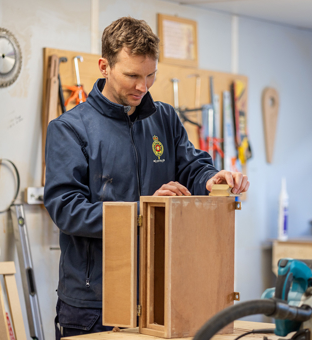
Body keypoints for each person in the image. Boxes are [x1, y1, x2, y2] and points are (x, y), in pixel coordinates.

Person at [44, 16, 250, 339]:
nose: (142, 86)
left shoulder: (164, 118)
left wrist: (212, 179)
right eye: (132, 76)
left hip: (158, 297)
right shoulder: (70, 129)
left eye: (150, 75)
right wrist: (144, 212)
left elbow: (193, 167)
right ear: (104, 66)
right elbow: (66, 209)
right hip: (92, 305)